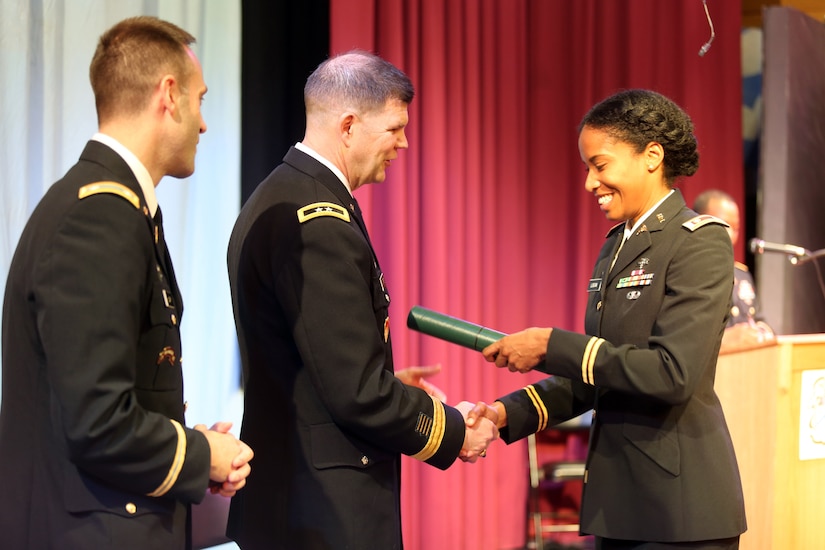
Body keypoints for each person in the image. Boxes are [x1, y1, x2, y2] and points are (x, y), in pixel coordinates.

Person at [225, 50, 498, 549]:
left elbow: (314, 364)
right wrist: (454, 430)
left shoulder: (285, 193)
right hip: (321, 510)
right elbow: (355, 392)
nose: (404, 142)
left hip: (298, 497)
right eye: (395, 128)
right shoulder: (318, 219)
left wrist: (386, 381)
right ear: (349, 125)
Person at [0, 16, 253, 550]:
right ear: (169, 95)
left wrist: (191, 444)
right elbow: (97, 421)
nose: (204, 124)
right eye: (200, 99)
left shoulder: (112, 206)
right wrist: (201, 453)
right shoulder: (101, 216)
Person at [481, 90, 746, 549]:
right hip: (620, 506)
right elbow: (597, 375)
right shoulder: (614, 246)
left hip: (680, 513)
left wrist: (550, 345)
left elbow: (672, 374)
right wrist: (504, 415)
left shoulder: (699, 243)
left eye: (599, 165)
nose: (589, 183)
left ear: (652, 157)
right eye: (587, 168)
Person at [693, 189, 775, 353]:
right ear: (699, 222)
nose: (731, 235)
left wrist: (762, 334)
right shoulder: (687, 273)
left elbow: (758, 319)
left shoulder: (742, 275)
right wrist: (726, 340)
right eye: (725, 225)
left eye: (736, 228)